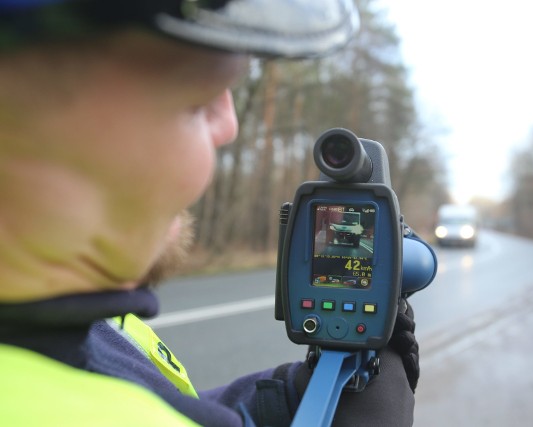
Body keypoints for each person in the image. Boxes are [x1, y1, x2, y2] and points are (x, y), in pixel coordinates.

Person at [0, 1, 420, 425]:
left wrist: (291, 398)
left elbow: (140, 396)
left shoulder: (79, 325)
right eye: (196, 102)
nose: (229, 127)